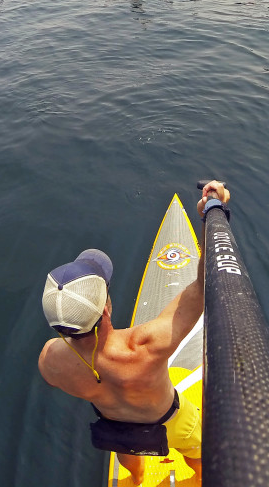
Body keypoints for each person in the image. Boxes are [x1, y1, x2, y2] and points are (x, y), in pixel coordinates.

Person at [38, 181, 230, 486]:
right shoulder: (144, 346)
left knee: (128, 453)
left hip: (116, 426)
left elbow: (57, 376)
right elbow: (202, 287)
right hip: (169, 420)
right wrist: (210, 214)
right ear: (106, 309)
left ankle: (135, 478)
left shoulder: (50, 359)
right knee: (199, 451)